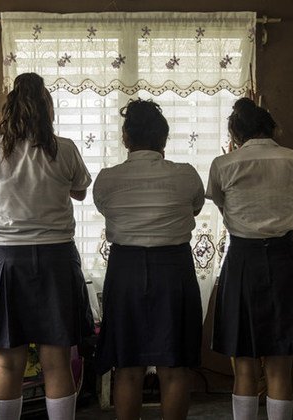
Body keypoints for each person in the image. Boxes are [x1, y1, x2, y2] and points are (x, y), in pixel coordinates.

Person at [0, 72, 93, 420]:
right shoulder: (64, 148)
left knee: (8, 362)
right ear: (47, 108)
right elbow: (80, 191)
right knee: (57, 361)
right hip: (55, 257)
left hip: (7, 259)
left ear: (9, 108)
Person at [93, 99, 204, 420]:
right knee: (174, 367)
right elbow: (194, 208)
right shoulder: (186, 176)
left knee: (127, 367)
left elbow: (106, 209)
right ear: (164, 139)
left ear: (126, 137)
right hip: (174, 271)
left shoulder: (107, 179)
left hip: (124, 271)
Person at [206, 97, 293, 420]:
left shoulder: (223, 165)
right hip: (283, 259)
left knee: (244, 369)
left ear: (236, 132)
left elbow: (222, 206)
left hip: (242, 261)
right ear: (269, 127)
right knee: (280, 369)